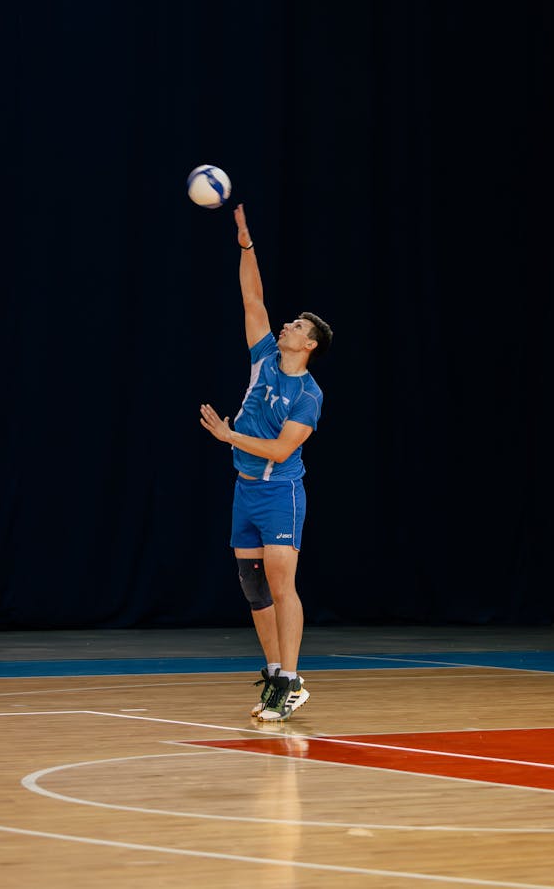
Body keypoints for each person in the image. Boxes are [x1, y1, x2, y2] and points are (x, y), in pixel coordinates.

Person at [199, 203, 333, 722]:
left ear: (310, 343)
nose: (286, 324)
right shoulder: (262, 357)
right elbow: (251, 296)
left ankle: (291, 680)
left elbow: (281, 450)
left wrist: (229, 434)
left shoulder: (309, 395)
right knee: (253, 588)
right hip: (245, 488)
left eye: (297, 325)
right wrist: (245, 244)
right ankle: (277, 673)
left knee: (282, 586)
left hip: (281, 493)